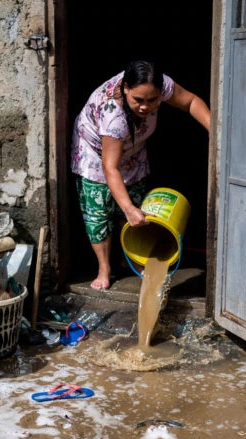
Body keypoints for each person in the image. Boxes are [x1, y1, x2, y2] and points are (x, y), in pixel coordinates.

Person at [71, 60, 211, 290]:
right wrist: (127, 210)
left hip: (131, 150)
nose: (145, 107)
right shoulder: (113, 115)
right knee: (100, 213)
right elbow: (110, 168)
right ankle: (104, 269)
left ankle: (131, 259)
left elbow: (191, 102)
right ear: (126, 88)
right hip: (96, 153)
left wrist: (215, 130)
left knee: (137, 202)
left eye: (152, 100)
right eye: (138, 100)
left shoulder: (162, 85)